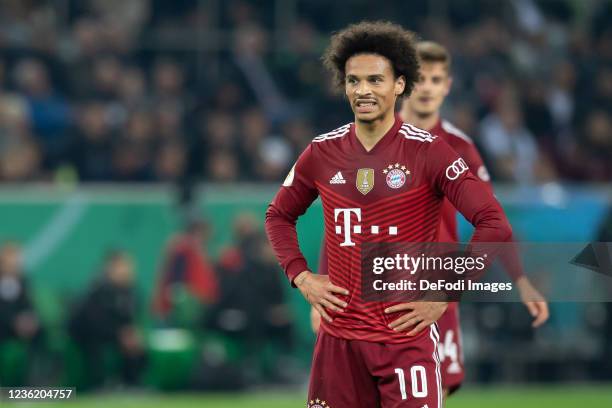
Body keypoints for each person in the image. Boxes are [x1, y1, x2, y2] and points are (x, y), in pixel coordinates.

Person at [265, 21, 514, 408]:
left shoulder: (430, 152)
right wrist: (301, 277)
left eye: (375, 80)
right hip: (338, 345)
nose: (363, 91)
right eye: (353, 81)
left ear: (400, 84)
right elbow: (278, 216)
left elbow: (494, 224)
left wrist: (445, 292)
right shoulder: (320, 152)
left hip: (404, 340)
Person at [311, 41, 550, 398]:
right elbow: (341, 223)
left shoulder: (458, 147)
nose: (427, 88)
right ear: (403, 84)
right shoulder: (368, 140)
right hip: (371, 286)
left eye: (436, 80)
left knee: (441, 385)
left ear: (446, 86)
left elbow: (493, 220)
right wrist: (323, 293)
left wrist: (519, 279)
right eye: (421, 79)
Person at [68, 250, 146, 388]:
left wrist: (131, 334)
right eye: (121, 267)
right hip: (86, 333)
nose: (126, 271)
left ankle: (131, 384)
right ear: (110, 269)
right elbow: (94, 323)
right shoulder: (98, 290)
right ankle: (99, 384)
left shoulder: (131, 292)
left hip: (114, 334)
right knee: (96, 345)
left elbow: (129, 319)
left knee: (136, 345)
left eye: (127, 266)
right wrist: (120, 334)